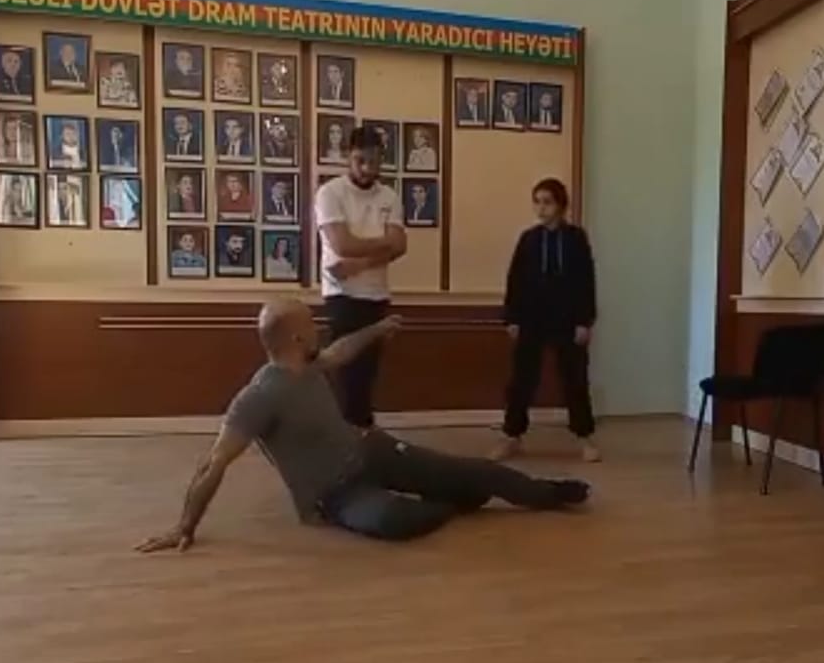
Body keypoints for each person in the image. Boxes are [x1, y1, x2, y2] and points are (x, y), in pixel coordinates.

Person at [134, 299, 591, 548]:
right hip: (335, 493)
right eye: (312, 323)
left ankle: (549, 493)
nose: (320, 328)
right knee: (395, 521)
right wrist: (185, 525)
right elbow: (214, 463)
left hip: (371, 451)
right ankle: (454, 503)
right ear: (296, 336)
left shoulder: (309, 363)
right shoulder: (260, 396)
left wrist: (378, 329)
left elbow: (341, 351)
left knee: (480, 471)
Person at [492, 178, 600, 463]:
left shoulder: (576, 239)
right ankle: (512, 436)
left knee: (575, 379)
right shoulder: (528, 239)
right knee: (521, 380)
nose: (541, 208)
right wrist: (512, 318)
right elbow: (515, 281)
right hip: (531, 318)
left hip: (567, 319)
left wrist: (584, 321)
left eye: (547, 202)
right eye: (537, 202)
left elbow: (586, 281)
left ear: (561, 205)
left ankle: (585, 437)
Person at [315, 128, 407, 429]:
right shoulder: (330, 193)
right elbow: (343, 245)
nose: (367, 168)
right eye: (360, 161)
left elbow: (400, 246)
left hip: (376, 294)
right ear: (348, 157)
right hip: (342, 293)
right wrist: (383, 243)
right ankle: (349, 432)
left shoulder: (389, 196)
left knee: (368, 370)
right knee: (344, 369)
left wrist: (359, 263)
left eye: (374, 161)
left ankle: (361, 430)